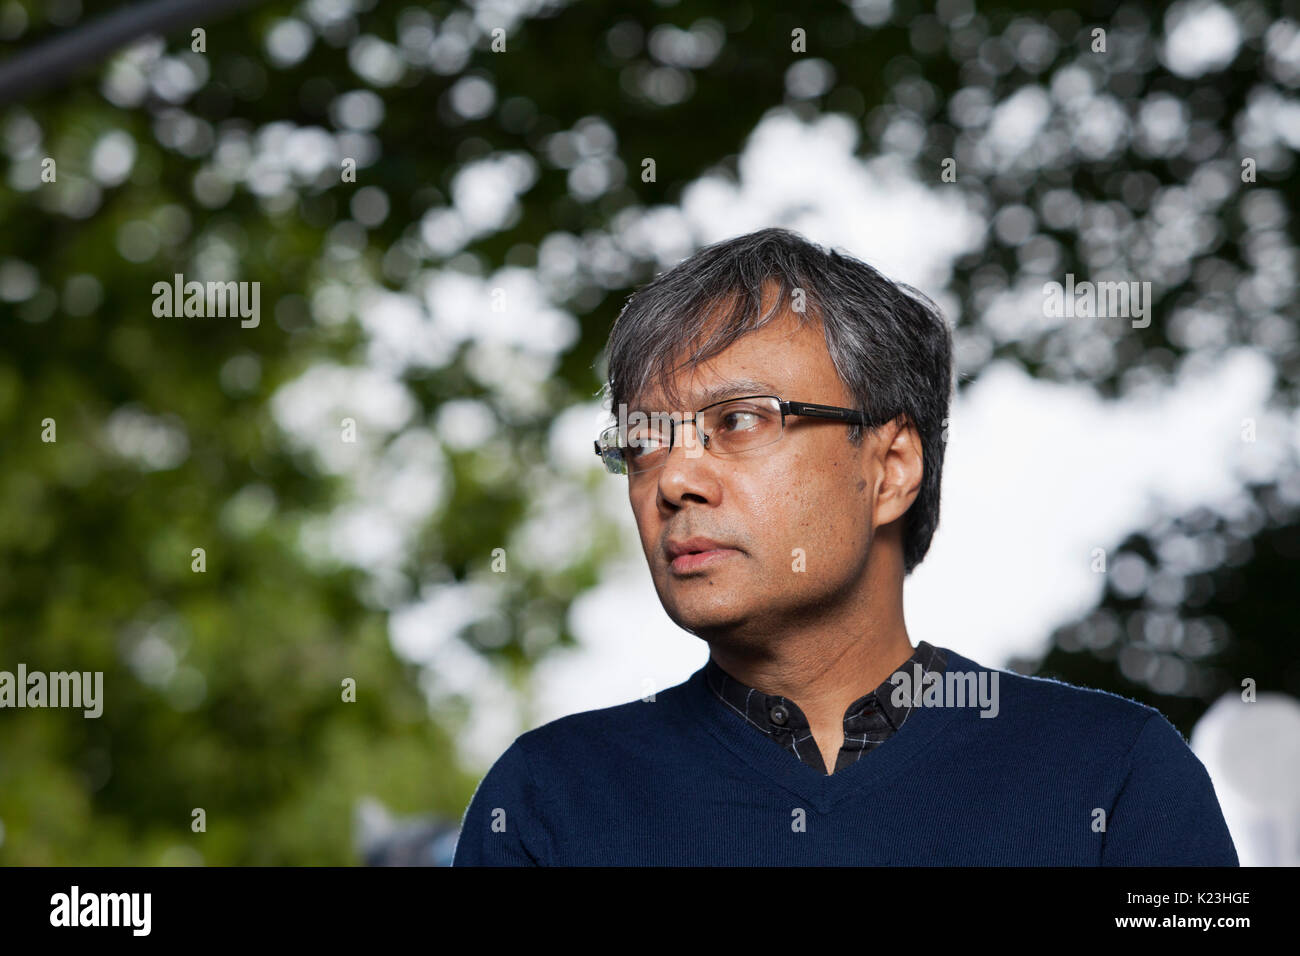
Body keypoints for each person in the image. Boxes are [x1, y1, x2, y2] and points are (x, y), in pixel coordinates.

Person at [452, 227, 1238, 866]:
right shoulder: (548, 799)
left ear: (890, 469)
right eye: (645, 439)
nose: (674, 479)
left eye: (739, 420)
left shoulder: (1115, 775)